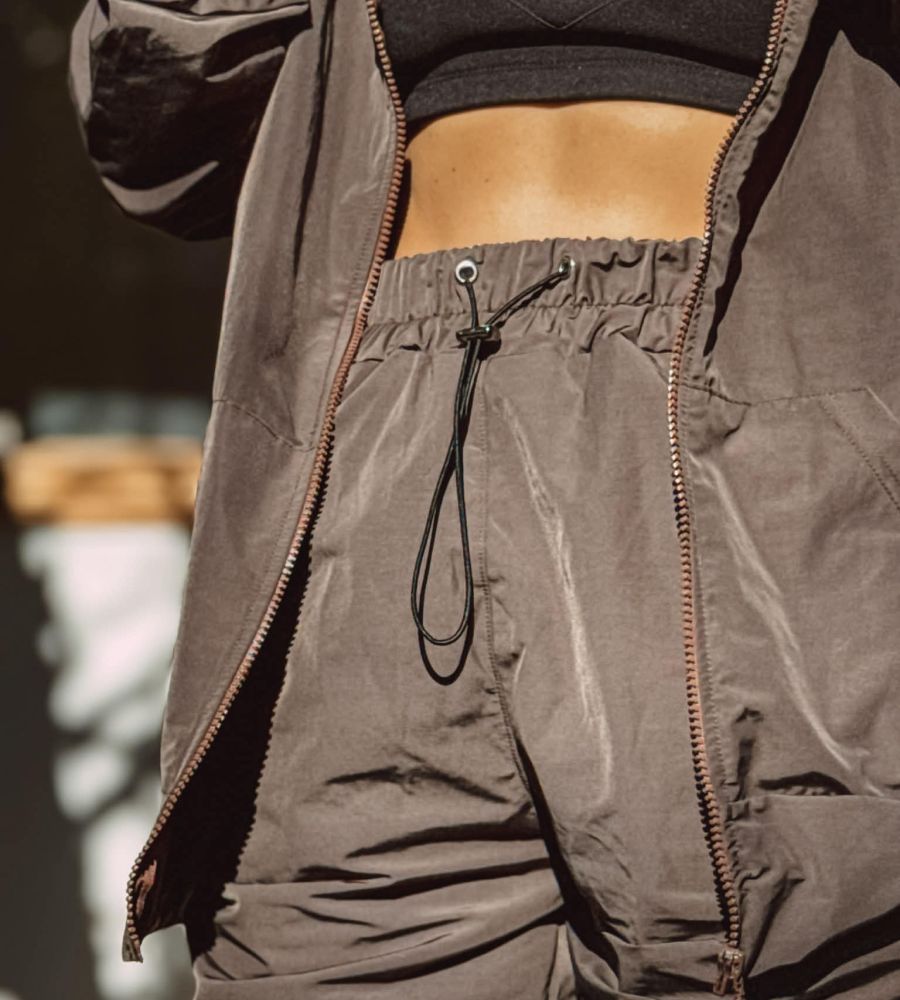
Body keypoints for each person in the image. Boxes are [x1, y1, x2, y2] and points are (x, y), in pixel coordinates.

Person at [67, 1, 900, 997]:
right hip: (382, 442)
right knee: (315, 942)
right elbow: (152, 140)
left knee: (795, 930)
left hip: (768, 432)